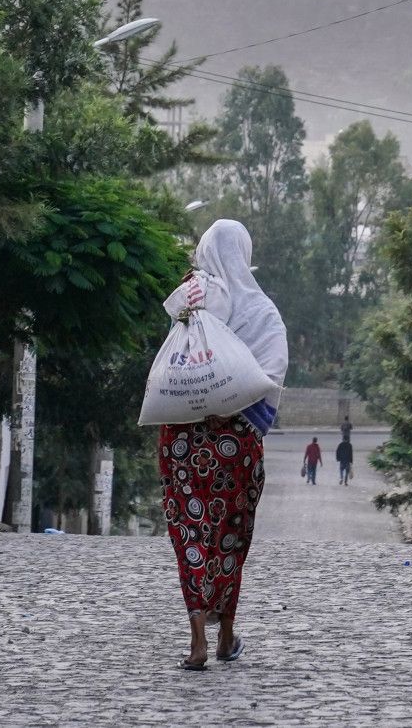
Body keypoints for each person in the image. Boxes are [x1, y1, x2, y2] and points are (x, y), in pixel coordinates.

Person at [157, 219, 288, 672]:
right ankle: (226, 636)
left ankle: (197, 641)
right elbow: (270, 374)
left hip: (183, 440)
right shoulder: (263, 312)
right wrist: (229, 405)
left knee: (190, 534)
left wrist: (203, 401)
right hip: (237, 442)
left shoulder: (192, 298)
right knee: (230, 535)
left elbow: (177, 364)